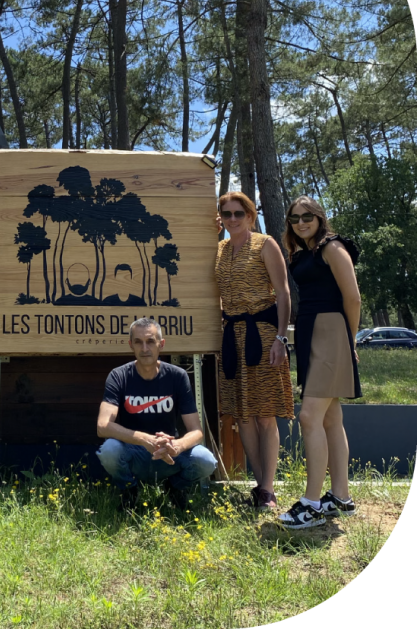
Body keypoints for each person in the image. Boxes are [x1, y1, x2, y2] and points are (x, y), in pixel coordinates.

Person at [278, 196, 361, 529]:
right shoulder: (304, 251)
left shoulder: (332, 247)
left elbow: (352, 298)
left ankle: (311, 503)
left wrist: (349, 341)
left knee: (309, 415)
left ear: (320, 216)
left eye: (307, 216)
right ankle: (340, 497)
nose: (301, 222)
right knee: (329, 416)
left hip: (332, 332)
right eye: (295, 218)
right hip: (311, 333)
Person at [215, 192, 294, 509]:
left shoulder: (265, 244)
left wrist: (281, 338)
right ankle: (261, 486)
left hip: (262, 336)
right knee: (242, 417)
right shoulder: (219, 250)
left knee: (263, 415)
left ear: (250, 215)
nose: (232, 219)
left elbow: (284, 293)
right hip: (230, 336)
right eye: (226, 213)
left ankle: (268, 487)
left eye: (238, 213)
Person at [96, 318, 217, 509]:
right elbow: (102, 426)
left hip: (168, 452)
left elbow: (197, 431)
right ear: (131, 346)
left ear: (161, 345)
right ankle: (129, 490)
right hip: (134, 451)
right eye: (138, 342)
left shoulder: (177, 376)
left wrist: (177, 445)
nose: (145, 348)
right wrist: (145, 439)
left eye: (150, 341)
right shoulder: (119, 376)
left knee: (206, 460)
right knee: (110, 450)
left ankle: (175, 488)